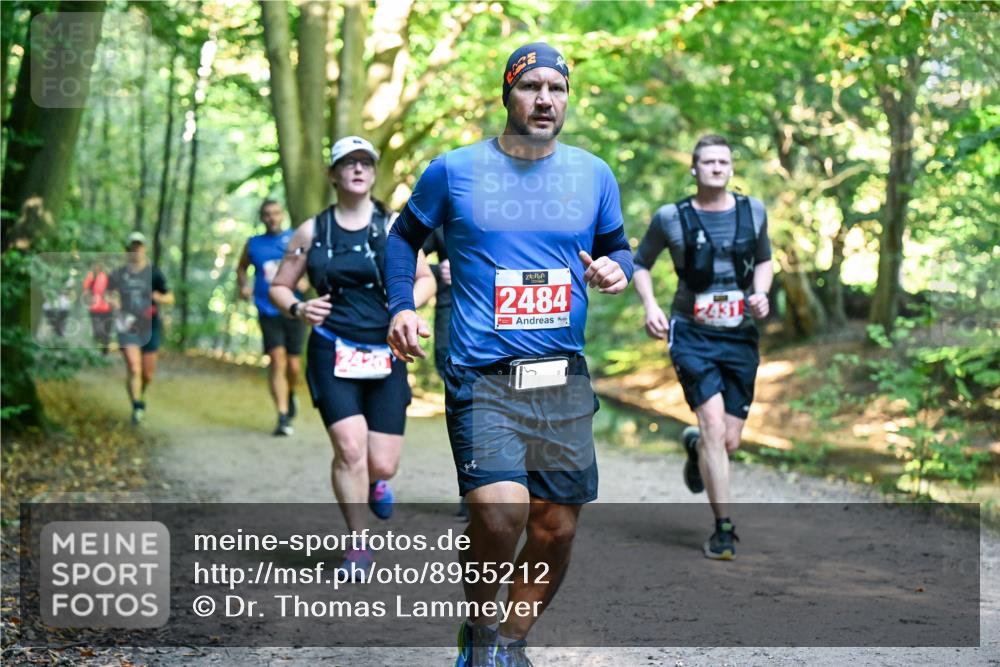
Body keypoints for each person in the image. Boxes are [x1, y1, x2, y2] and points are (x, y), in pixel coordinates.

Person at [385, 43, 633, 667]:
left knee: (556, 527)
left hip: (561, 377)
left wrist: (617, 269)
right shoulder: (454, 170)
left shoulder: (593, 174)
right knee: (500, 514)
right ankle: (479, 628)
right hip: (483, 376)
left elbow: (619, 248)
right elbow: (402, 239)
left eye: (557, 88)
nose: (545, 99)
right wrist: (402, 306)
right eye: (531, 86)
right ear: (507, 94)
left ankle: (511, 643)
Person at [268, 135, 436, 576]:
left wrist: (405, 310)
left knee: (382, 462)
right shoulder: (312, 231)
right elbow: (280, 286)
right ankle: (358, 545)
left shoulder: (395, 225)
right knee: (349, 449)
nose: (358, 169)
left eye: (366, 162)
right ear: (333, 174)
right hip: (332, 347)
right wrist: (299, 308)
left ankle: (377, 482)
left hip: (387, 350)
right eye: (349, 162)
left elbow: (426, 279)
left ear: (374, 172)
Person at [632, 134, 773, 560]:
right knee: (712, 425)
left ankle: (696, 449)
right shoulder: (671, 217)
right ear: (694, 169)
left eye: (723, 162)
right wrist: (651, 306)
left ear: (731, 169)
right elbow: (640, 263)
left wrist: (761, 293)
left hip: (739, 333)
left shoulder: (753, 211)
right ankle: (723, 528)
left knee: (728, 442)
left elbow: (764, 260)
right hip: (691, 333)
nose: (716, 168)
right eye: (708, 162)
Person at [237, 200, 307, 436]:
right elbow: (241, 268)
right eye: (267, 214)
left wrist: (307, 280)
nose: (272, 218)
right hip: (267, 310)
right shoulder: (254, 244)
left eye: (276, 213)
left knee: (294, 366)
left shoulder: (296, 238)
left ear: (282, 215)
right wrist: (243, 286)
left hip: (294, 308)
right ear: (262, 217)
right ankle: (282, 416)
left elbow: (311, 264)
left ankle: (290, 392)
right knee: (277, 360)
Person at [108, 231, 173, 425]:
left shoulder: (154, 273)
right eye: (133, 247)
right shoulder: (120, 273)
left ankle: (140, 394)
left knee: (147, 374)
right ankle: (137, 407)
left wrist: (159, 297)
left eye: (139, 246)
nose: (136, 250)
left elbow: (170, 296)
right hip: (128, 325)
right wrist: (114, 302)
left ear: (144, 249)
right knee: (134, 367)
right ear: (128, 250)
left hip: (150, 325)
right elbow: (108, 293)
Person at [82, 262, 114, 354]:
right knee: (97, 331)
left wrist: (111, 299)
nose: (97, 267)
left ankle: (104, 351)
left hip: (107, 309)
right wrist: (89, 299)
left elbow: (114, 290)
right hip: (95, 309)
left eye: (99, 265)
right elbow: (85, 291)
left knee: (106, 331)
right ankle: (98, 350)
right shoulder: (91, 276)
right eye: (96, 265)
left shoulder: (108, 276)